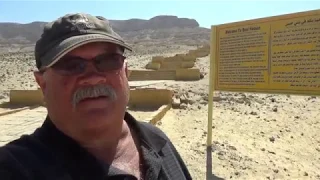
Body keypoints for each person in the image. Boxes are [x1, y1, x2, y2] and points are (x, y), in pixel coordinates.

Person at [0, 13, 192, 180]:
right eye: (71, 66)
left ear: (126, 73)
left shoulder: (156, 139)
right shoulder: (14, 168)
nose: (92, 78)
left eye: (108, 61)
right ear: (42, 83)